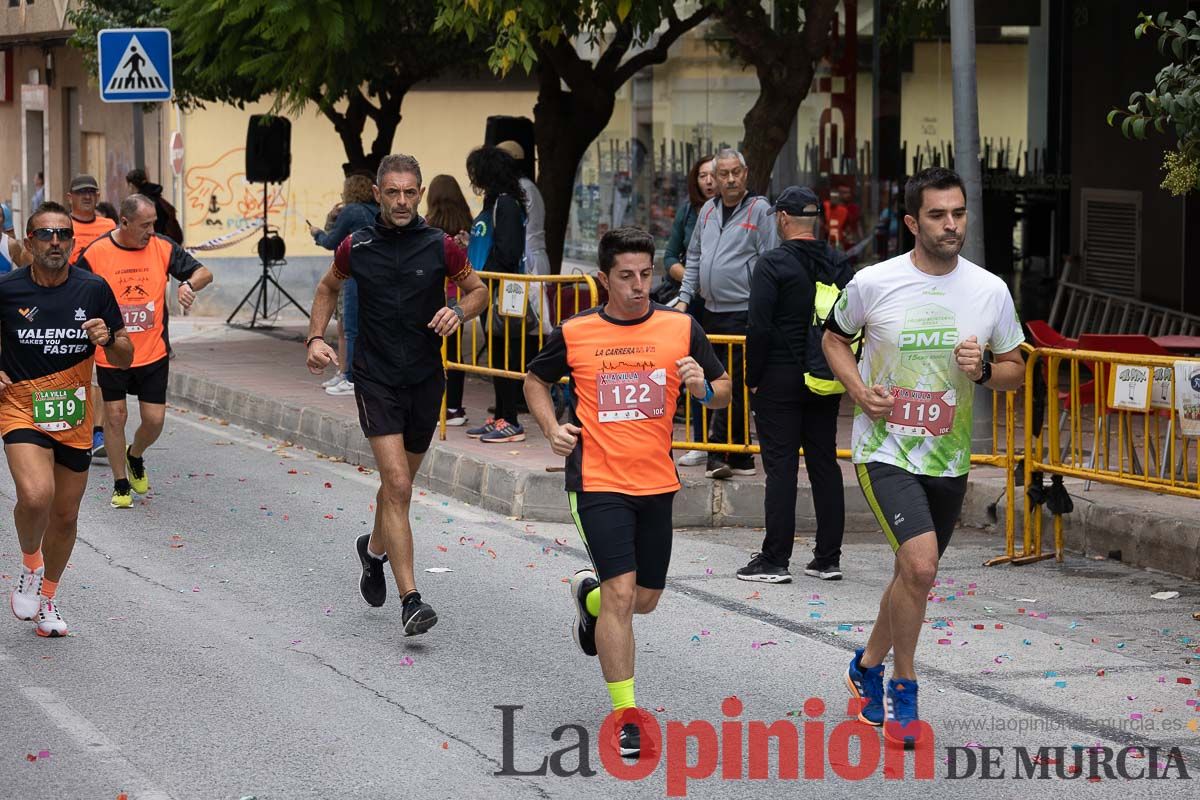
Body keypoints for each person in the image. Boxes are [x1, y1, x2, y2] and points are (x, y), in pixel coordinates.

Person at [823, 167, 1026, 745]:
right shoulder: (873, 282)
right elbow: (834, 338)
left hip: (948, 457)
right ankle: (901, 690)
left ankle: (863, 666)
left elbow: (1015, 368)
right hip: (883, 449)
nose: (951, 224)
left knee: (911, 578)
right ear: (913, 222)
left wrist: (984, 370)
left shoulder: (989, 290)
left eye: (958, 213)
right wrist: (859, 392)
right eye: (938, 215)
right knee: (921, 567)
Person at [525, 227, 732, 758]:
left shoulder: (681, 327)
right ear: (604, 279)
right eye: (627, 276)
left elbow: (723, 393)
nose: (640, 286)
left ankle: (586, 597)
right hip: (596, 482)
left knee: (644, 600)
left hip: (655, 482)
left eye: (646, 274)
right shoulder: (576, 332)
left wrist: (701, 387)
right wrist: (551, 428)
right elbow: (534, 381)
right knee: (622, 594)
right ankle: (627, 715)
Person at [305, 154, 488, 636]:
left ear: (420, 193)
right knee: (400, 485)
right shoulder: (356, 244)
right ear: (379, 195)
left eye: (410, 192)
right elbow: (326, 288)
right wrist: (316, 338)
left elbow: (479, 291)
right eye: (393, 192)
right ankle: (412, 600)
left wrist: (458, 311)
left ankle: (373, 551)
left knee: (397, 486)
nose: (402, 201)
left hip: (426, 379)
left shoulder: (442, 246)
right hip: (376, 377)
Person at [2, 201, 133, 637]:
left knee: (64, 516)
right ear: (29, 241)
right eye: (45, 234)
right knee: (37, 496)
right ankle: (29, 566)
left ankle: (48, 601)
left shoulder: (93, 289)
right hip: (20, 405)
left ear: (71, 242)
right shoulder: (8, 290)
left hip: (74, 412)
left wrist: (109, 339)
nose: (55, 242)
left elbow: (125, 354)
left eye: (63, 235)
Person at [737, 187, 854, 585]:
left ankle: (774, 559)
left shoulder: (771, 264)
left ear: (783, 218)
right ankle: (827, 558)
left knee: (781, 467)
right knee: (824, 464)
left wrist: (752, 380)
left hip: (779, 378)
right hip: (825, 374)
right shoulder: (839, 263)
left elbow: (759, 327)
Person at [77, 195, 214, 509]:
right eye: (145, 225)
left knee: (154, 420)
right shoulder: (97, 252)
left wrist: (189, 285)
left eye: (153, 224)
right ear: (124, 223)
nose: (151, 231)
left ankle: (134, 454)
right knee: (115, 417)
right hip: (112, 352)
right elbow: (75, 288)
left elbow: (204, 272)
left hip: (152, 353)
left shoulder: (163, 247)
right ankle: (120, 483)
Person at [674, 148, 778, 479]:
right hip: (710, 310)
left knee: (727, 380)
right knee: (712, 378)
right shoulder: (707, 210)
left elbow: (769, 260)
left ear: (745, 174)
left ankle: (720, 453)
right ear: (715, 178)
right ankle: (738, 456)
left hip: (742, 311)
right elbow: (694, 257)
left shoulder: (760, 210)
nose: (730, 179)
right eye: (723, 174)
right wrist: (683, 298)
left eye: (736, 172)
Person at [464, 146, 530, 444]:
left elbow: (508, 251)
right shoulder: (494, 204)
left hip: (499, 290)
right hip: (487, 287)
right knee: (496, 355)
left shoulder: (506, 205)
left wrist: (484, 281)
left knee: (504, 355)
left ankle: (511, 421)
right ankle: (501, 415)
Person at [661, 155, 716, 467]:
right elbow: (670, 257)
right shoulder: (688, 211)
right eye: (702, 176)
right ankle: (700, 441)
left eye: (713, 175)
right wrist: (691, 279)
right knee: (696, 371)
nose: (708, 181)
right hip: (691, 301)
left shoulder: (735, 213)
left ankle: (730, 443)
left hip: (724, 304)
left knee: (723, 373)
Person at [309, 174, 380, 397]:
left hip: (353, 272)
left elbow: (332, 241)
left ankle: (350, 378)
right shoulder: (376, 211)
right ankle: (346, 372)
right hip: (377, 273)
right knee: (355, 326)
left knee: (350, 327)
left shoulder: (351, 211)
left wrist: (318, 233)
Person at [66, 175, 118, 457]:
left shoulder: (108, 226)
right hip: (66, 303)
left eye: (92, 192)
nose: (87, 196)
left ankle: (97, 432)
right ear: (69, 197)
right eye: (81, 192)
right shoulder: (63, 225)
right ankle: (73, 423)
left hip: (99, 303)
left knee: (98, 371)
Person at [424, 174, 474, 426]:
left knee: (432, 353)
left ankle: (436, 406)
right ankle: (454, 407)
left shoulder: (428, 225)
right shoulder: (468, 224)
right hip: (460, 297)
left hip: (433, 296)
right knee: (455, 354)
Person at [125, 168, 184, 244]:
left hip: (159, 244)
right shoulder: (156, 198)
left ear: (131, 185)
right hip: (168, 242)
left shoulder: (141, 203)